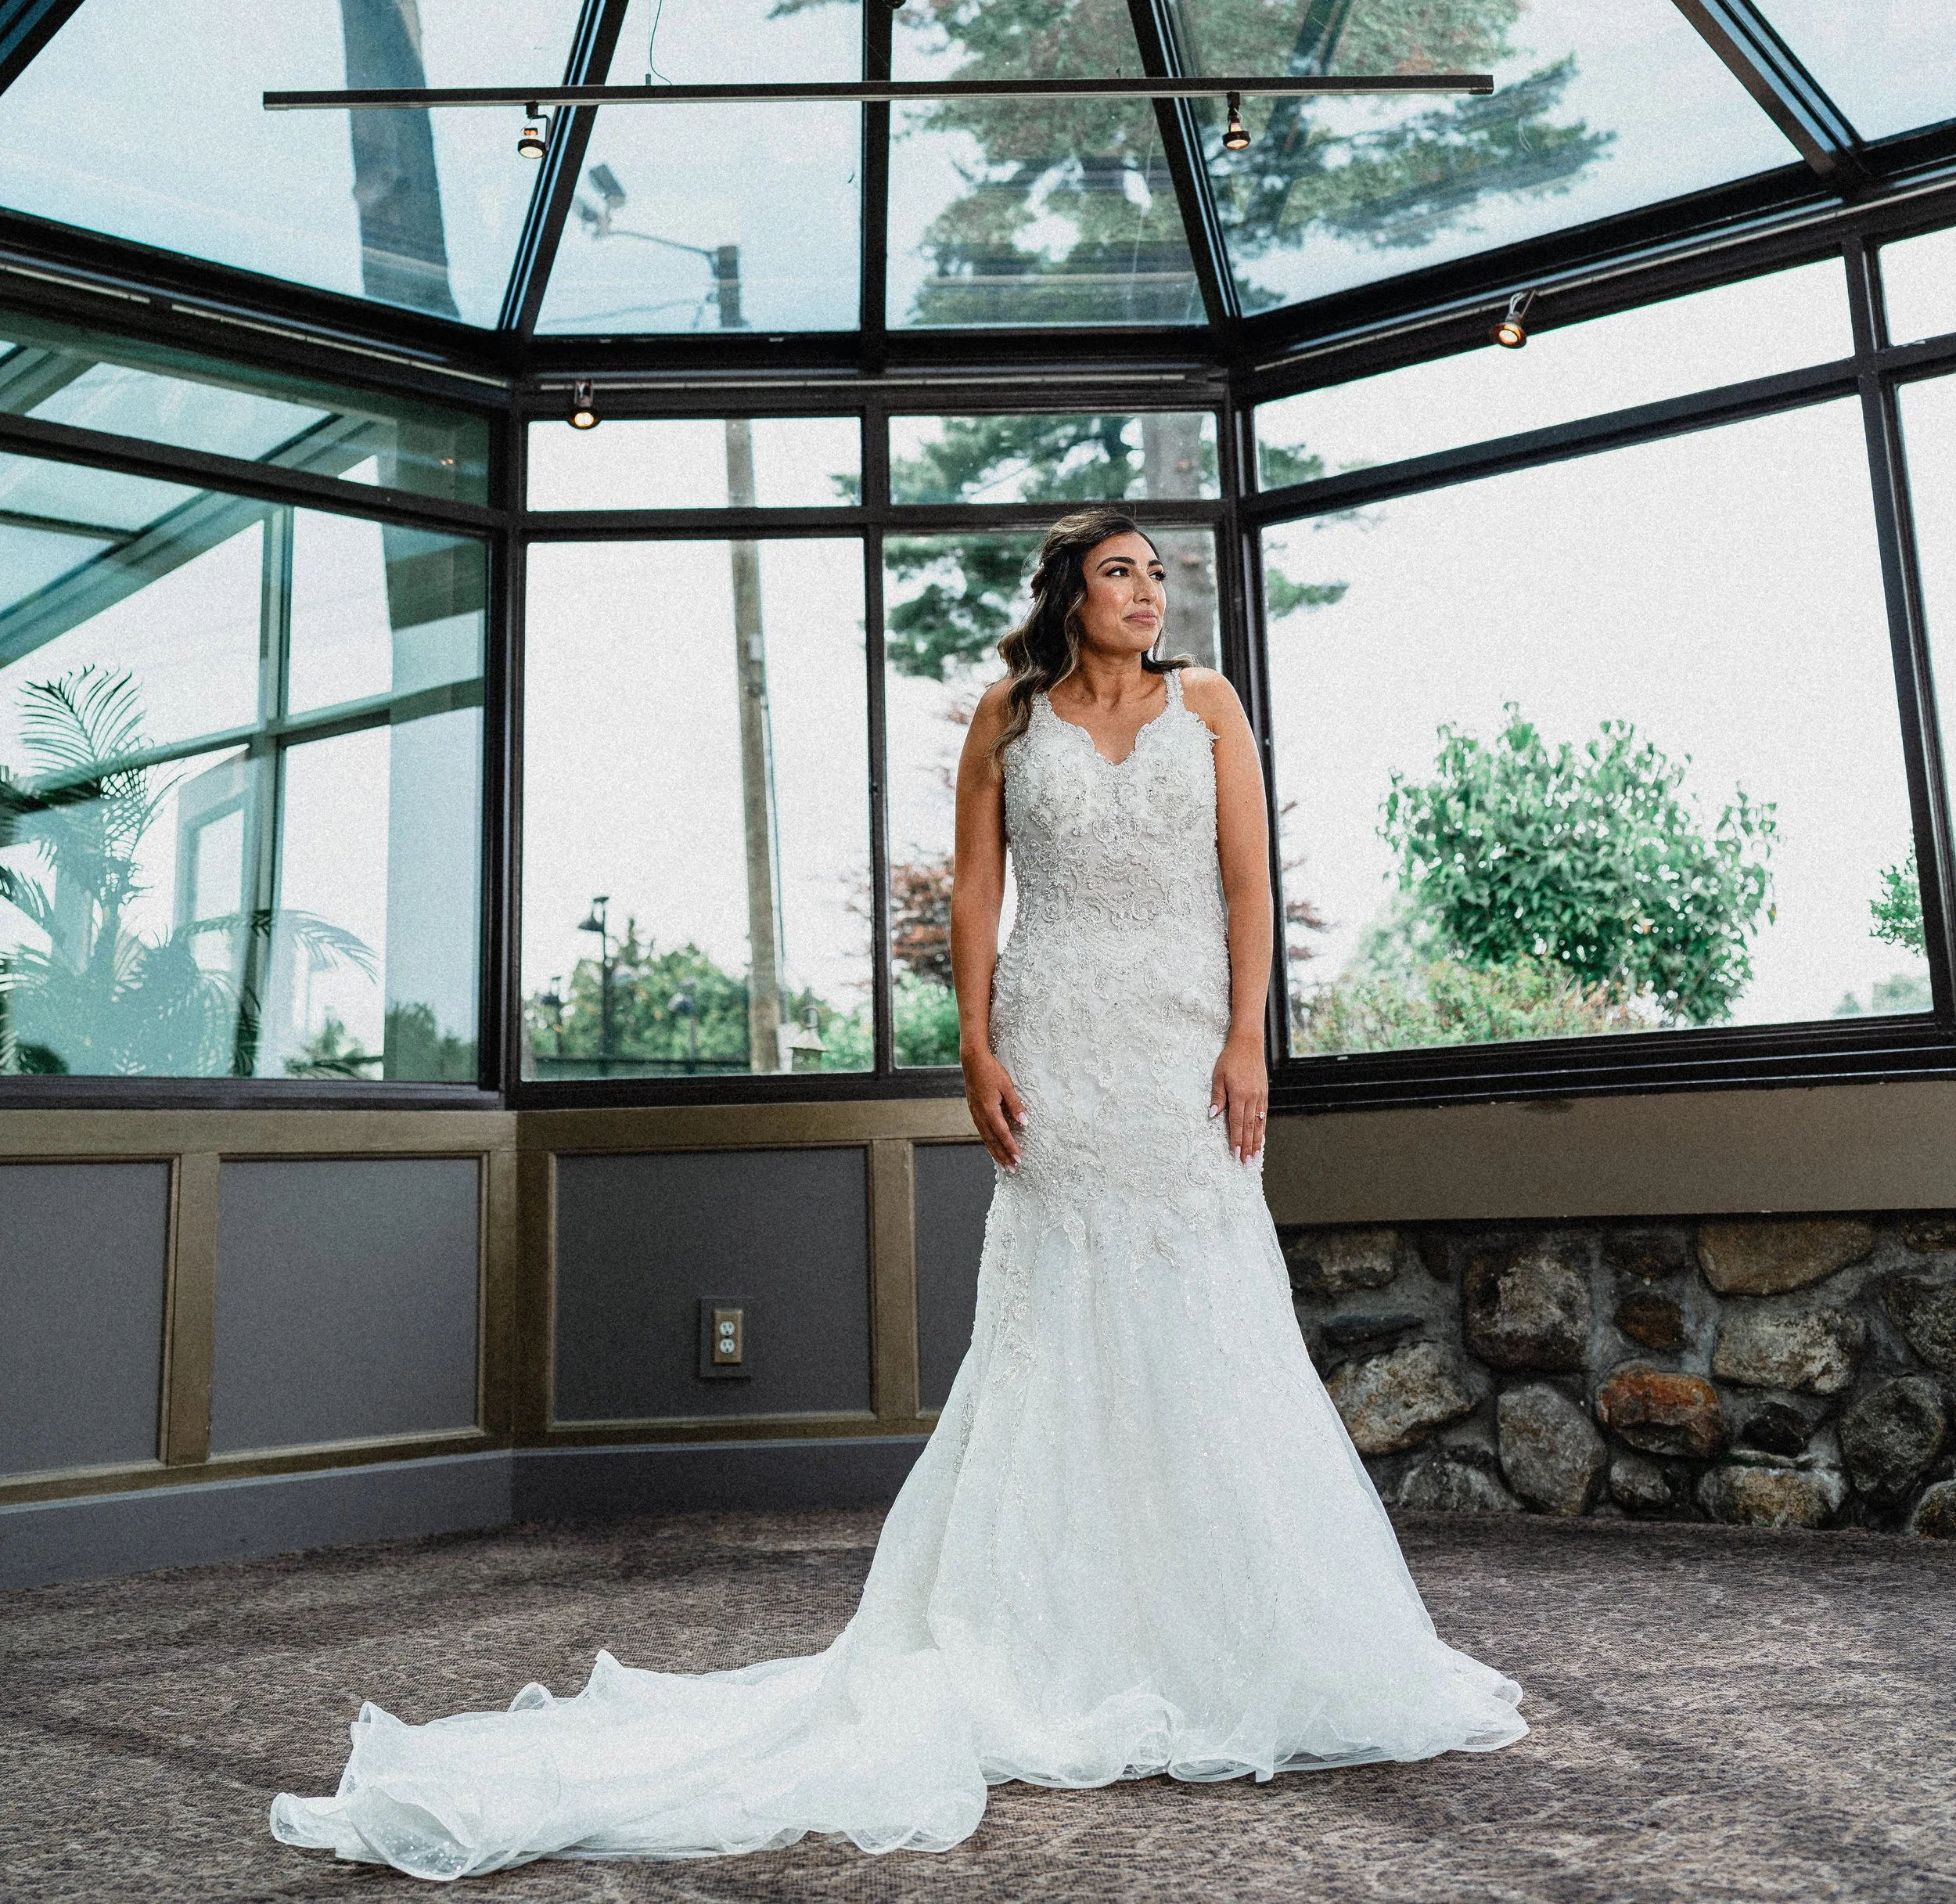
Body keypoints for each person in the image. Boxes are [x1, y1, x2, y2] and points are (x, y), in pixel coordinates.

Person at [271, 506, 1523, 1880]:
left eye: (1156, 573)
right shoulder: (1009, 714)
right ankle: (1051, 1633)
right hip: (1058, 1044)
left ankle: (1232, 1629)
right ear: (1069, 592)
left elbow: (1247, 882)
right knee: (1058, 1317)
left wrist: (1245, 1038)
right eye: (1119, 572)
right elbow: (976, 892)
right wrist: (976, 1045)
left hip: (1180, 1046)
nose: (1147, 592)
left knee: (1209, 1304)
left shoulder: (1210, 704)